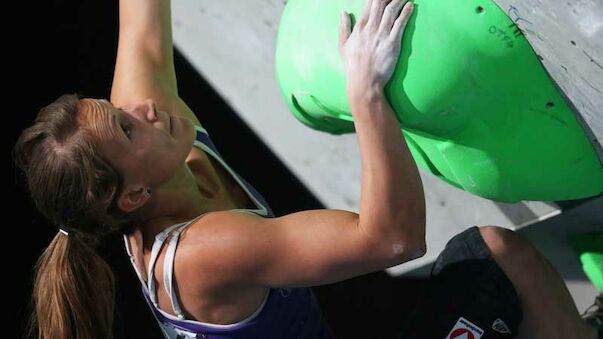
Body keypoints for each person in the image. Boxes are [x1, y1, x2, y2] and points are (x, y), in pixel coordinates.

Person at [13, 0, 601, 338]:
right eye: (125, 128)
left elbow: (140, 23)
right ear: (134, 197)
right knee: (499, 259)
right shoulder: (202, 254)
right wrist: (365, 89)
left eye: (117, 109)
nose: (141, 107)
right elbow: (392, 238)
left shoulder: (150, 145)